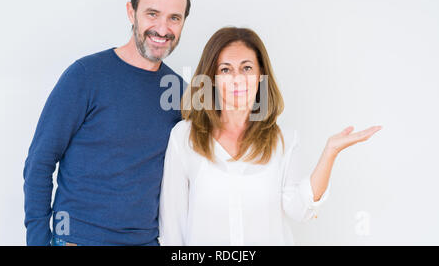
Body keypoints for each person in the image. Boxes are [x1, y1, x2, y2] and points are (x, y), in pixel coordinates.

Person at [158, 27, 382, 245]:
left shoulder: (284, 140)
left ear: (260, 77)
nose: (238, 78)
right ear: (212, 78)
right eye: (226, 69)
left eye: (247, 68)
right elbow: (172, 229)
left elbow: (300, 209)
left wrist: (330, 152)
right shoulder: (184, 137)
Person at [23, 0, 191, 246]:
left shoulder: (179, 93)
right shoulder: (85, 76)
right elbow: (39, 162)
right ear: (131, 12)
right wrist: (38, 241)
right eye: (152, 13)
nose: (163, 29)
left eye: (174, 17)